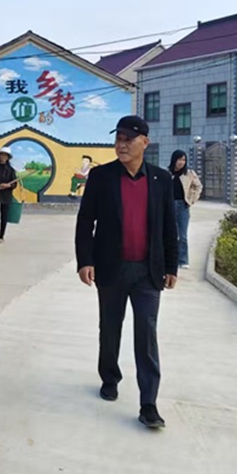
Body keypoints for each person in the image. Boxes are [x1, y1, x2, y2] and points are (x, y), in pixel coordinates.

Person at [75, 115, 178, 429]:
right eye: (118, 138)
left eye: (128, 139)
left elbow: (169, 226)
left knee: (146, 334)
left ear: (144, 142)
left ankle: (149, 404)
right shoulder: (101, 177)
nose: (121, 145)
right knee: (110, 328)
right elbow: (85, 221)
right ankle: (110, 377)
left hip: (148, 272)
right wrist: (85, 261)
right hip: (111, 268)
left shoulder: (161, 179)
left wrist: (171, 266)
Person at [168, 150, 203, 268]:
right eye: (179, 159)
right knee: (170, 234)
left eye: (184, 160)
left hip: (183, 205)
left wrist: (191, 200)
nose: (181, 162)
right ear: (174, 159)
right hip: (169, 206)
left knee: (182, 235)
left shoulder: (189, 173)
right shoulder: (167, 173)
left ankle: (183, 260)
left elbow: (198, 186)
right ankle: (170, 259)